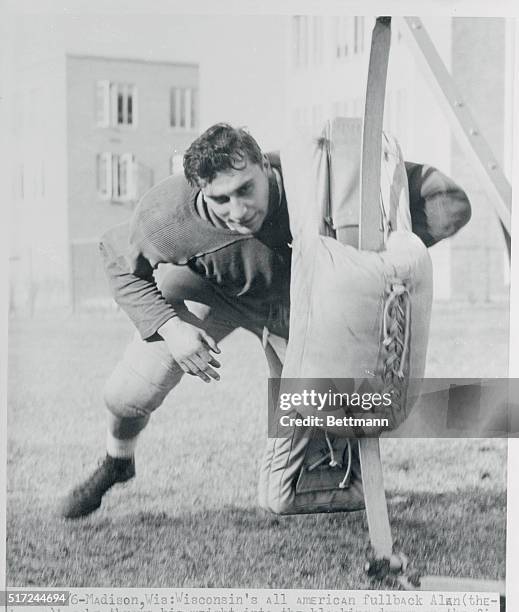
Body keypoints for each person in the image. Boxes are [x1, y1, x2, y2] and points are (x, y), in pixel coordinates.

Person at [58, 123, 471, 519]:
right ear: (199, 191)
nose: (237, 210)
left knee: (293, 478)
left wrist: (382, 248)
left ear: (265, 166)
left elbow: (449, 204)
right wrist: (171, 327)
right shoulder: (169, 214)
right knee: (127, 393)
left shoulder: (317, 179)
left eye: (245, 190)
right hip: (211, 292)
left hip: (298, 310)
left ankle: (346, 471)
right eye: (220, 199)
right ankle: (118, 461)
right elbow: (116, 257)